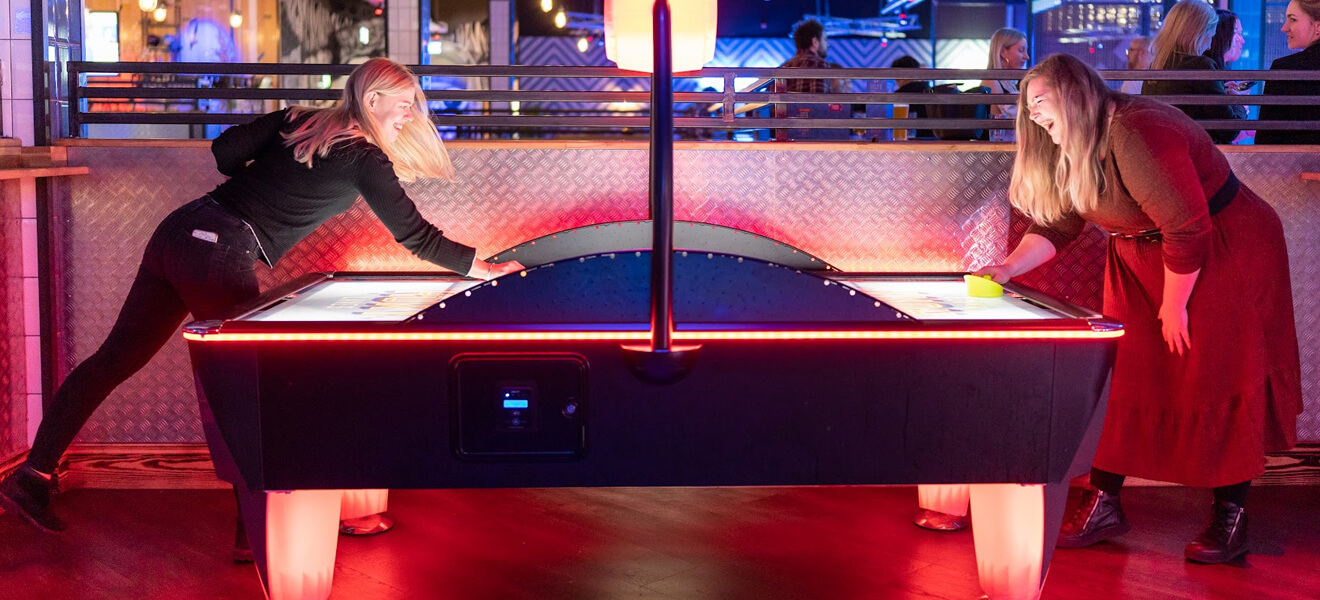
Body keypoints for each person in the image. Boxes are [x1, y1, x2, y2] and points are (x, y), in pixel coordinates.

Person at [0, 58, 525, 540]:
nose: (410, 115)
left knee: (115, 361)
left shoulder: (303, 122)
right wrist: (486, 268)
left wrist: (277, 143)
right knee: (246, 387)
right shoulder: (362, 157)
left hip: (181, 231)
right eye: (404, 102)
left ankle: (33, 476)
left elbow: (225, 152)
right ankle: (252, 534)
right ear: (372, 100)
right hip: (218, 248)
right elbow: (416, 237)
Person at [977, 53, 1300, 565]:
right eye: (1028, 105)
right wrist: (1009, 269)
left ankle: (1231, 519)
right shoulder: (1074, 141)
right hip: (1142, 256)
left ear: (1075, 94)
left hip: (1222, 249)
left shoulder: (1136, 130)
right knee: (1125, 377)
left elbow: (1187, 228)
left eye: (1041, 101)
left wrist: (1175, 306)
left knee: (1214, 373)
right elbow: (1060, 225)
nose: (1033, 113)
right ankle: (1104, 504)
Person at [1143, 0, 1244, 144]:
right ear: (1199, 33)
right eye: (1210, 35)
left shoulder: (1157, 65)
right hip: (1194, 155)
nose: (1209, 45)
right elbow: (1229, 130)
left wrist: (1221, 91)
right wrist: (1237, 101)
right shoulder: (1201, 66)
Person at [1256, 0, 1320, 145]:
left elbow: (1265, 141)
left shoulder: (1285, 68)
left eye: (1293, 19)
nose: (1284, 28)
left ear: (1318, 27)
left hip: (1295, 165)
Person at [1204, 9, 1252, 141]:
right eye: (1236, 32)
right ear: (1218, 34)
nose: (1242, 40)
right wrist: (1238, 102)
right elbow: (1229, 131)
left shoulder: (1220, 75)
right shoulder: (1206, 71)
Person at [981, 27, 1030, 141]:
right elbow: (997, 131)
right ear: (1003, 52)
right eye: (1021, 50)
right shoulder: (992, 82)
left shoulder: (1010, 83)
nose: (1026, 56)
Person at [777, 19, 841, 94]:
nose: (827, 45)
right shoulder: (819, 64)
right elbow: (819, 102)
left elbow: (772, 103)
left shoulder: (782, 68)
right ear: (815, 42)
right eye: (825, 40)